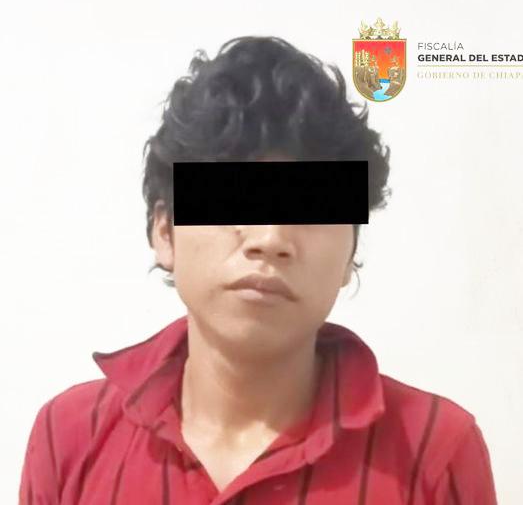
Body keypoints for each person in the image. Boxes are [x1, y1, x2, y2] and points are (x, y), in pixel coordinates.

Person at [19, 35, 498, 504]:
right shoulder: (70, 438)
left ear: (350, 254)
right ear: (165, 232)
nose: (270, 240)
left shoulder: (434, 453)